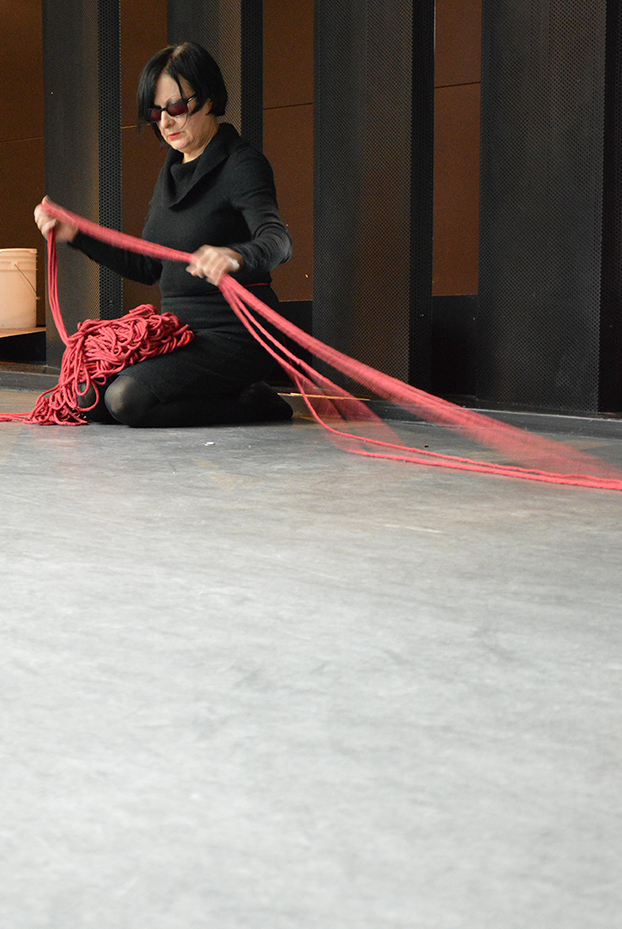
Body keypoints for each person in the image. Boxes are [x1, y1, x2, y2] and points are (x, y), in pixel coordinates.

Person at [34, 41, 293, 428]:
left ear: (208, 99)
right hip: (179, 332)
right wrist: (77, 234)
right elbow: (148, 266)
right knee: (87, 397)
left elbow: (278, 240)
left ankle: (256, 403)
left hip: (238, 334)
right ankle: (227, 395)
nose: (166, 123)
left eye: (176, 107)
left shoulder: (242, 163)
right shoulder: (172, 171)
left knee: (126, 400)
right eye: (156, 113)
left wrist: (235, 255)